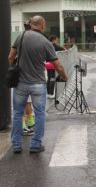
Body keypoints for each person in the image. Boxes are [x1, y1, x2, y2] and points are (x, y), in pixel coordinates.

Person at [8, 15, 68, 154]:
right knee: (40, 114)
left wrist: (13, 68)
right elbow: (57, 65)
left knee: (17, 113)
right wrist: (64, 77)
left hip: (20, 83)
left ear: (31, 24)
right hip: (38, 84)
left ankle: (16, 145)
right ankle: (35, 145)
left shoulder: (21, 37)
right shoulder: (46, 42)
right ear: (43, 25)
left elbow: (11, 57)